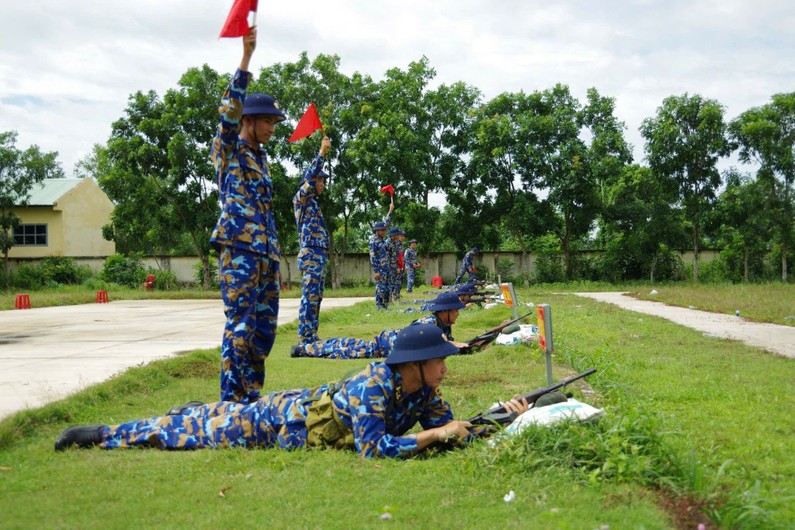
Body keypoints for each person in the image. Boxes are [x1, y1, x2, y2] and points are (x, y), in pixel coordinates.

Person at [54, 323, 529, 458]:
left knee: (204, 418)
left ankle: (200, 409)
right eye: (439, 359)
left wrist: (502, 417)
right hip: (281, 421)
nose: (446, 367)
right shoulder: (374, 387)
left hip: (297, 405)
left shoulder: (424, 392)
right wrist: (432, 436)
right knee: (183, 434)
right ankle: (99, 434)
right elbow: (374, 448)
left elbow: (452, 428)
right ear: (415, 365)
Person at [209, 28, 286, 404]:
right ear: (249, 121)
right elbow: (228, 112)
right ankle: (233, 400)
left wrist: (275, 254)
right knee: (239, 326)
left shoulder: (262, 159)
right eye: (267, 120)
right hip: (239, 249)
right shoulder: (229, 150)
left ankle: (251, 396)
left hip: (265, 254)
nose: (273, 127)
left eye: (274, 121)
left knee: (263, 329)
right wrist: (245, 59)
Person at [290, 291, 467, 359]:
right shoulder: (430, 322)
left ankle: (307, 347)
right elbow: (422, 331)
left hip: (386, 342)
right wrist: (450, 343)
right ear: (445, 312)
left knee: (345, 344)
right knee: (344, 350)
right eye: (455, 310)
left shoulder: (444, 326)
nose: (458, 313)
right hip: (386, 344)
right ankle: (303, 350)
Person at [293, 135, 333, 345]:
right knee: (309, 295)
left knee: (317, 296)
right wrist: (321, 153)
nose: (322, 184)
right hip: (310, 253)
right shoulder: (301, 199)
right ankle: (304, 336)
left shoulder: (314, 204)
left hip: (319, 254)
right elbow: (309, 179)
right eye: (320, 180)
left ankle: (312, 334)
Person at [369, 203, 394, 309]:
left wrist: (390, 210)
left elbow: (386, 223)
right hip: (380, 269)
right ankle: (379, 307)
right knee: (380, 288)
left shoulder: (381, 239)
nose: (384, 232)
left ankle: (385, 306)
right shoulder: (373, 241)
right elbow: (372, 256)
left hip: (386, 268)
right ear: (377, 231)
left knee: (387, 288)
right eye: (382, 230)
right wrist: (376, 271)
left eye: (385, 230)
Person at [388, 227, 406, 302]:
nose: (401, 237)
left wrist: (402, 266)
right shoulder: (390, 243)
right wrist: (397, 267)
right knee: (392, 283)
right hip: (392, 267)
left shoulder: (398, 244)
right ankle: (391, 299)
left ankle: (396, 297)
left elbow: (399, 256)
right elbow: (390, 257)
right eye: (399, 235)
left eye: (402, 236)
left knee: (398, 283)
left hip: (398, 266)